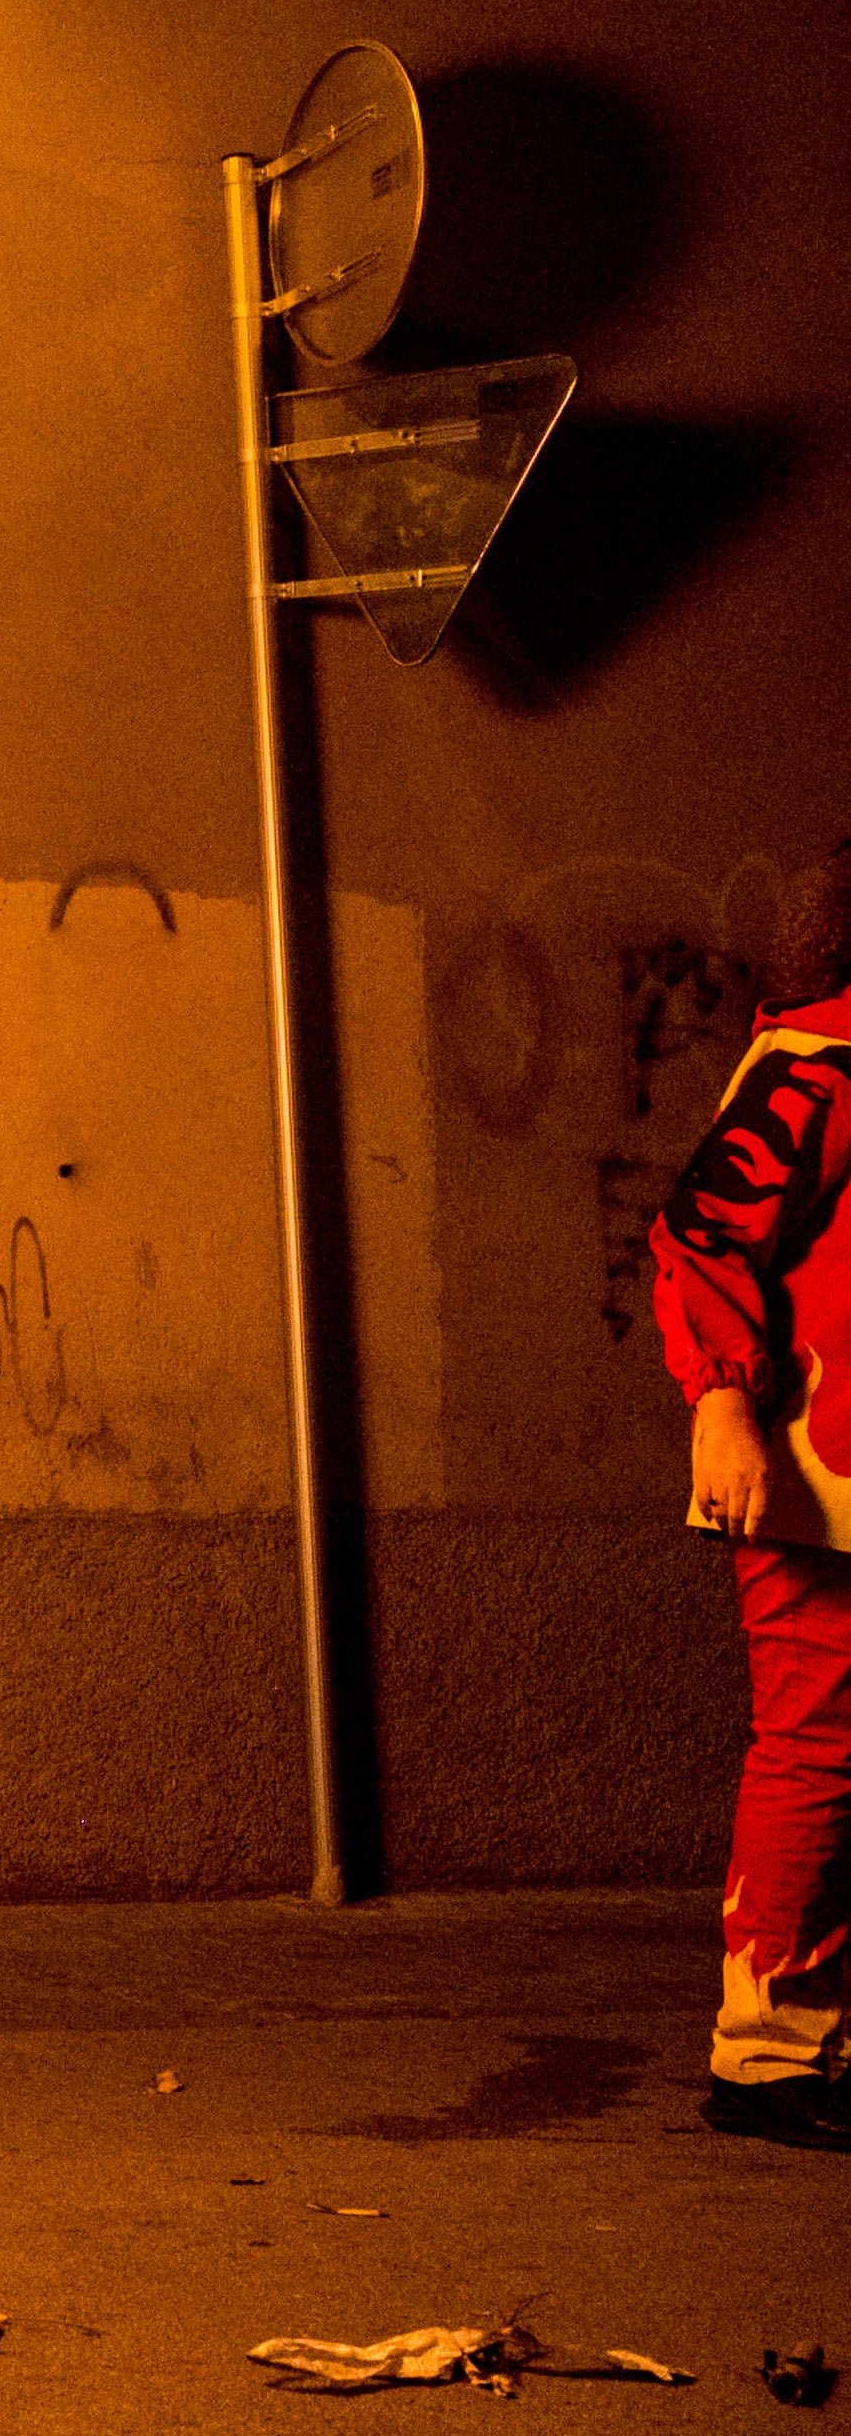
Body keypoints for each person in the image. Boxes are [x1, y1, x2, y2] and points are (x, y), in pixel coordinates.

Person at [651, 842, 851, 2151]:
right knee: (820, 1747)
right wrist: (723, 1403)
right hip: (818, 1483)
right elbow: (702, 1228)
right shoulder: (820, 1066)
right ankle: (770, 2053)